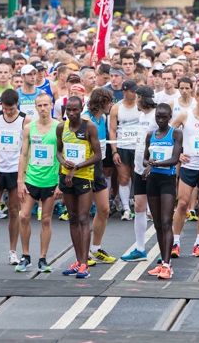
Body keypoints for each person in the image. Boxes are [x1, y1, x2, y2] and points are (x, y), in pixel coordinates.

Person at [16, 93, 64, 273]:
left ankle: (43, 258)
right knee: (24, 216)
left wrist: (60, 183)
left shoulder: (59, 127)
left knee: (45, 219)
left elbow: (63, 155)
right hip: (31, 179)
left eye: (45, 105)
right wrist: (20, 180)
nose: (43, 108)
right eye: (39, 105)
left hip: (50, 180)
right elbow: (23, 154)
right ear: (35, 107)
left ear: (51, 105)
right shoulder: (29, 127)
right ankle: (25, 255)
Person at [170, 85, 199, 258]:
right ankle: (176, 243)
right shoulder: (185, 115)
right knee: (182, 204)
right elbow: (168, 134)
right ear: (196, 97)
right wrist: (178, 153)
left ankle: (198, 244)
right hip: (189, 166)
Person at [0, 89, 29, 266]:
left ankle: (12, 251)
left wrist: (23, 175)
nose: (8, 112)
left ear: (17, 104)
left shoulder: (25, 120)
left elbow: (26, 150)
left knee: (13, 210)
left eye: (11, 109)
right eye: (5, 108)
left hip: (15, 170)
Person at [60, 96, 101, 278]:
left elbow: (98, 155)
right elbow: (58, 152)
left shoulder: (89, 127)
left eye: (75, 110)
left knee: (84, 219)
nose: (71, 113)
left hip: (84, 176)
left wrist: (76, 167)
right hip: (66, 177)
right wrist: (64, 162)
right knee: (73, 218)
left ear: (81, 109)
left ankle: (85, 263)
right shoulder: (61, 127)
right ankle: (78, 261)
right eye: (68, 110)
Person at [142, 103, 183, 279]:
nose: (160, 120)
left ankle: (167, 264)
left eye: (164, 117)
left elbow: (174, 159)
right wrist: (148, 164)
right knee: (158, 223)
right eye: (158, 116)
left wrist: (156, 163)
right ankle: (163, 262)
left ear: (170, 117)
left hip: (167, 180)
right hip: (153, 180)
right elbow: (145, 158)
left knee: (167, 221)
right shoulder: (151, 135)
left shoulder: (176, 133)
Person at [121, 85, 158, 262]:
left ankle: (166, 249)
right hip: (139, 168)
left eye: (137, 98)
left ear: (143, 99)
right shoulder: (142, 115)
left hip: (153, 169)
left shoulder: (157, 116)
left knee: (158, 211)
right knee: (139, 207)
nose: (135, 101)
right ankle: (140, 248)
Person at [81, 87, 116, 265]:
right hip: (84, 169)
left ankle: (95, 249)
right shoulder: (85, 120)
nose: (112, 105)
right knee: (83, 213)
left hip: (98, 168)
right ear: (101, 102)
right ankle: (83, 253)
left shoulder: (102, 118)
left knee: (104, 209)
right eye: (110, 101)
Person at [109, 80, 140, 221]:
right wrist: (114, 151)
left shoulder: (140, 105)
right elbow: (112, 130)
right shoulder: (116, 108)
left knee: (137, 177)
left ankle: (139, 206)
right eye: (132, 91)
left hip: (138, 146)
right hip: (122, 146)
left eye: (136, 91)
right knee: (123, 178)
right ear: (124, 92)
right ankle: (126, 208)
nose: (135, 94)